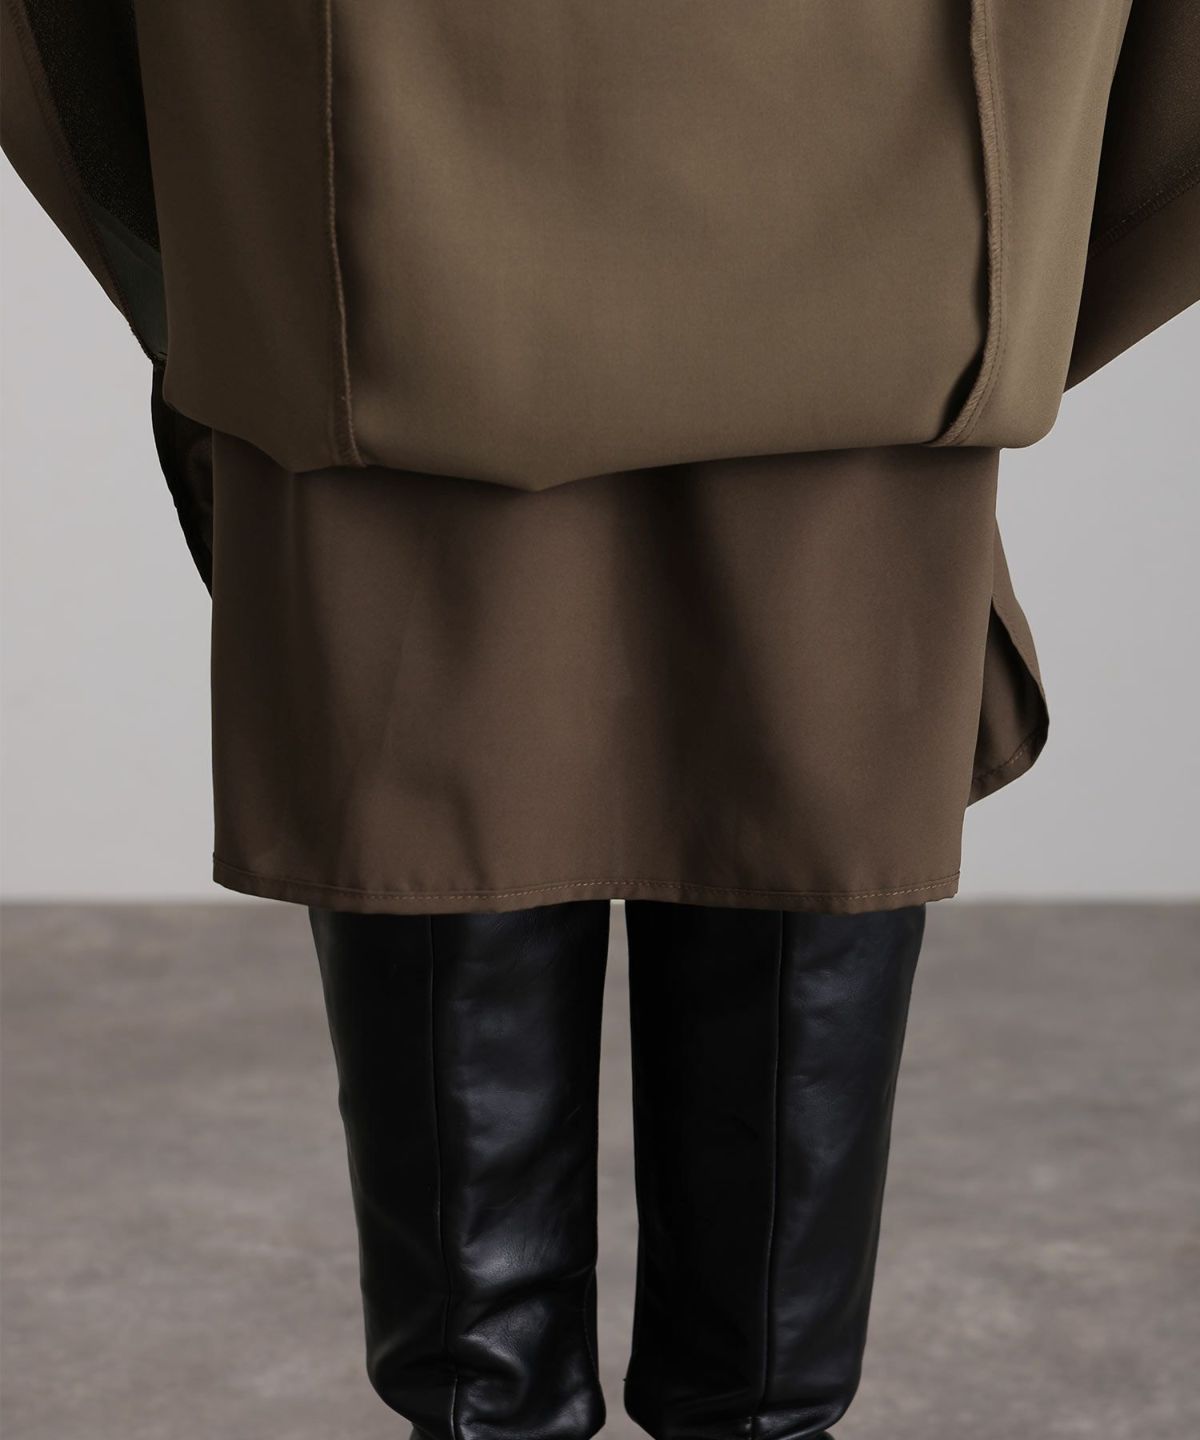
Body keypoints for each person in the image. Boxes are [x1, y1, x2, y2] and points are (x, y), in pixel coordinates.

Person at [3, 4, 1196, 1436]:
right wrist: (996, 273)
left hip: (391, 221)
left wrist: (241, 253)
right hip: (878, 199)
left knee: (434, 577)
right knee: (821, 642)